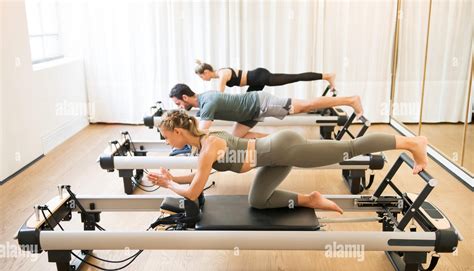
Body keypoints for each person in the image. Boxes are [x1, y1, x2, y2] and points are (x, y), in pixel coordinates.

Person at [147, 110, 429, 213]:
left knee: (349, 148)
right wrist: (170, 180)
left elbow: (194, 192)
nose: (167, 142)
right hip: (274, 158)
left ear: (179, 131)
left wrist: (169, 183)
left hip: (285, 149)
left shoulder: (208, 146)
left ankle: (412, 142)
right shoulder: (203, 145)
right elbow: (197, 179)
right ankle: (310, 198)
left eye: (167, 137)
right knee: (257, 199)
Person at [169, 83, 364, 138]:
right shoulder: (204, 101)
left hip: (259, 103)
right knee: (237, 138)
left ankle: (350, 99)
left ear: (185, 98)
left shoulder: (207, 102)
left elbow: (202, 132)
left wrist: (184, 139)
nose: (179, 107)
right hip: (248, 114)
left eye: (178, 103)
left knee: (306, 105)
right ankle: (284, 143)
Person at [194, 60, 336, 93]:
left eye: (201, 77)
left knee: (294, 77)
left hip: (259, 77)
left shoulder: (222, 74)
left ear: (206, 72)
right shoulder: (220, 73)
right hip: (255, 81)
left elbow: (220, 95)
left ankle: (327, 76)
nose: (203, 80)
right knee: (250, 104)